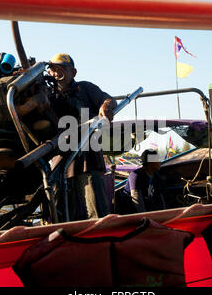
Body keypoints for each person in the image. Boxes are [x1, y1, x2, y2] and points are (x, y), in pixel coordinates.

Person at [47, 53, 117, 221]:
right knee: (59, 214)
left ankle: (101, 240)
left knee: (97, 212)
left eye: (63, 69)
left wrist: (106, 106)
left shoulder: (85, 88)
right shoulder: (46, 94)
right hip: (60, 160)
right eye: (54, 69)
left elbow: (109, 100)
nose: (57, 73)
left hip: (88, 159)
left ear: (74, 72)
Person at [121, 149, 166, 213]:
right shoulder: (135, 176)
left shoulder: (156, 176)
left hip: (148, 211)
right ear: (150, 162)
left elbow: (160, 198)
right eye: (157, 159)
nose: (160, 162)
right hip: (132, 213)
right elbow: (136, 201)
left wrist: (163, 213)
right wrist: (147, 218)